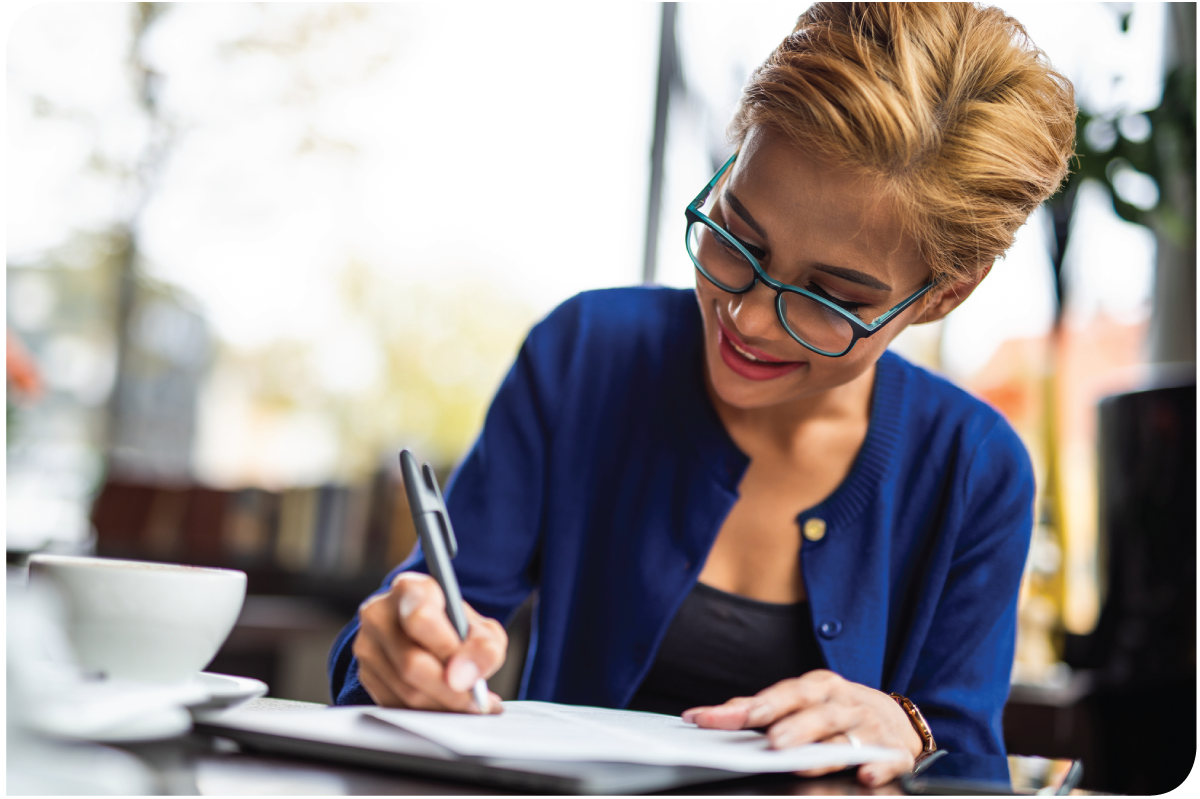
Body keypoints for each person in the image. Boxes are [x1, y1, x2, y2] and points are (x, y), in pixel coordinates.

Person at [329, 2, 1075, 787]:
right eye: (738, 236)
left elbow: (968, 767)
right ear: (729, 164)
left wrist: (911, 729)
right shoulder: (586, 354)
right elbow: (410, 633)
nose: (747, 317)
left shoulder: (976, 470)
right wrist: (393, 649)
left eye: (829, 297)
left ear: (941, 296)